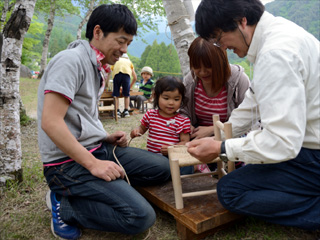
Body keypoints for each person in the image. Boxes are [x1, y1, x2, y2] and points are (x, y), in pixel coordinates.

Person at [37, 4, 171, 240]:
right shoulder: (70, 61)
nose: (124, 49)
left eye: (128, 42)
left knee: (163, 168)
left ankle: (105, 191)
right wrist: (93, 164)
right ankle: (64, 204)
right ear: (97, 32)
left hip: (98, 149)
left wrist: (104, 137)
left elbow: (81, 115)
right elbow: (50, 122)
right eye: (121, 41)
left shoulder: (98, 66)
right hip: (65, 164)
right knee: (141, 218)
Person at [187, 0, 320, 231]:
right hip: (306, 148)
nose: (223, 47)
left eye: (219, 38)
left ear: (242, 21)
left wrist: (222, 148)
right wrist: (219, 136)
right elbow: (252, 102)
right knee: (245, 175)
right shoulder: (278, 35)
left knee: (230, 191)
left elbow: (282, 142)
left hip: (311, 155)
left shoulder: (275, 54)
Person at [180, 37, 250, 170]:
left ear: (220, 62)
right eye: (196, 67)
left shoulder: (239, 80)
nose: (202, 72)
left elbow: (250, 120)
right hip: (198, 140)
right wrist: (186, 124)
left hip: (230, 139)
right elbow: (183, 111)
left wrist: (213, 129)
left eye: (208, 67)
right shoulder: (190, 81)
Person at [130, 76, 196, 174]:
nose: (171, 103)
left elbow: (185, 143)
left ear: (182, 99)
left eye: (176, 99)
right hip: (152, 158)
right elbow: (141, 129)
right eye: (166, 98)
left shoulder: (182, 121)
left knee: (184, 168)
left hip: (172, 159)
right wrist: (136, 132)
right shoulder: (150, 115)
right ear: (156, 96)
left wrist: (172, 149)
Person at [111, 53, 137, 118]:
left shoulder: (115, 61)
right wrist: (129, 87)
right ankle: (126, 111)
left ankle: (117, 111)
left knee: (116, 95)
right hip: (126, 76)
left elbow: (111, 70)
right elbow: (135, 77)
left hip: (116, 75)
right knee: (126, 95)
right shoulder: (129, 62)